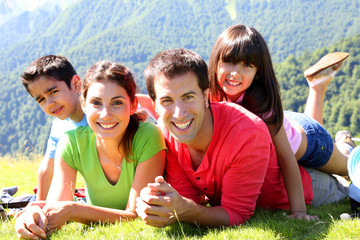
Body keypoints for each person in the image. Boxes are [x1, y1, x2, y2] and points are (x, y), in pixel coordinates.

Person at [135, 48, 335, 228]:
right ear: (155, 105)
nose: (178, 113)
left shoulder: (248, 133)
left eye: (188, 97)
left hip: (309, 183)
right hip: (283, 132)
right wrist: (158, 203)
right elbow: (188, 201)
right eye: (167, 100)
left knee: (345, 177)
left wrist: (187, 211)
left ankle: (345, 143)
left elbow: (237, 214)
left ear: (205, 96)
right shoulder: (167, 133)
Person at [14, 61, 166, 239]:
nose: (105, 114)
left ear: (133, 106)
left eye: (116, 102)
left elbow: (134, 214)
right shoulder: (71, 142)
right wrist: (34, 215)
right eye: (96, 103)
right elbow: (56, 205)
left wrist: (74, 210)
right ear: (84, 104)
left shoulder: (148, 136)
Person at [208, 24, 351, 213]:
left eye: (247, 66)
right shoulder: (207, 94)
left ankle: (345, 143)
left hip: (309, 141)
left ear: (258, 72)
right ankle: (317, 87)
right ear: (216, 60)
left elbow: (286, 157)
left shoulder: (262, 108)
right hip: (288, 125)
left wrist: (298, 212)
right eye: (229, 61)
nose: (235, 72)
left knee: (348, 169)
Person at [20, 55, 88, 201]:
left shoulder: (100, 116)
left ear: (76, 84)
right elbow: (48, 167)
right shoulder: (60, 126)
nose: (49, 103)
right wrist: (40, 205)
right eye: (41, 99)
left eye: (53, 92)